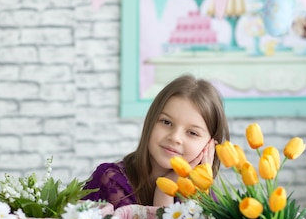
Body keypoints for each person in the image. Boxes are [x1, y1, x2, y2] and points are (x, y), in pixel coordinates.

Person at [83, 74, 230, 209]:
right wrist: (165, 188)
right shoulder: (111, 181)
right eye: (166, 122)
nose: (175, 137)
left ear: (209, 146)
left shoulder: (206, 196)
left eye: (192, 133)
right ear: (151, 121)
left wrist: (165, 192)